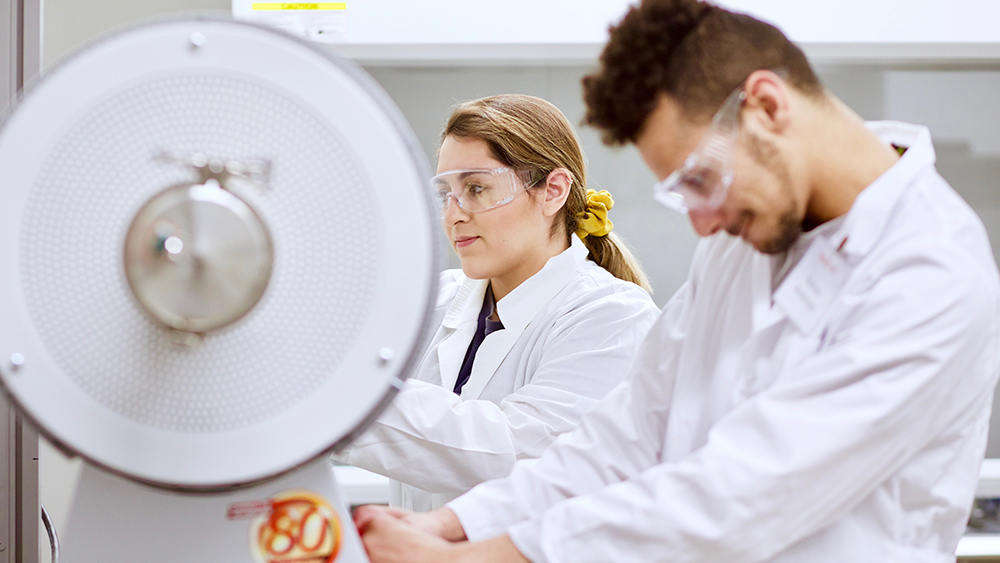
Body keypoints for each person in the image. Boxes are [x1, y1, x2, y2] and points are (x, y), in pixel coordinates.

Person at [353, 1, 1000, 561]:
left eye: (699, 179)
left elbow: (743, 494)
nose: (701, 220)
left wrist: (475, 556)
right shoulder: (744, 242)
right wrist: (451, 522)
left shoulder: (928, 270)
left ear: (768, 107)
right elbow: (626, 435)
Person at [332, 94, 660, 512]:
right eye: (445, 193)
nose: (453, 215)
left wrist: (346, 399)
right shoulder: (434, 300)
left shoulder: (613, 316)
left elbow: (515, 453)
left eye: (476, 188)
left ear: (553, 191)